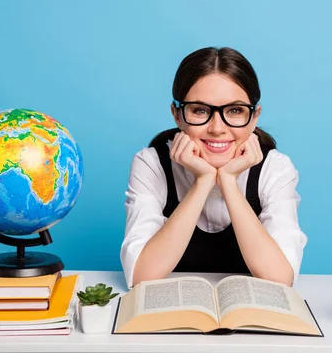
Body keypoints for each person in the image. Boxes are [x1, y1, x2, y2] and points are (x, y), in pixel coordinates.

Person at [120, 47, 307, 288]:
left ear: (255, 116)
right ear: (177, 115)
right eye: (200, 110)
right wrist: (202, 181)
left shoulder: (276, 168)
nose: (217, 128)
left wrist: (228, 181)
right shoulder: (151, 163)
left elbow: (280, 279)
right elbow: (140, 277)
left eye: (235, 111)